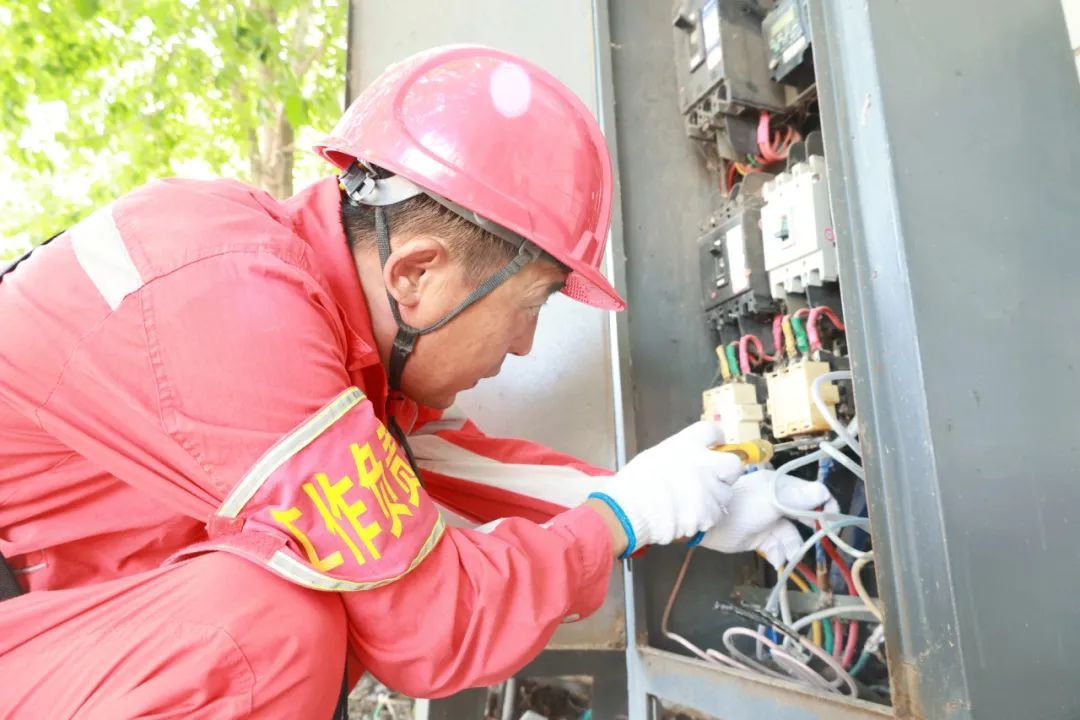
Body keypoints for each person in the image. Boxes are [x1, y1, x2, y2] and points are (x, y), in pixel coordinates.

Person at [0, 45, 832, 718]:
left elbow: (428, 468)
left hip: (56, 635)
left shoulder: (314, 316)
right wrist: (619, 521)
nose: (522, 345)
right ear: (416, 273)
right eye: (530, 306)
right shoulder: (234, 305)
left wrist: (671, 506)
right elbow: (431, 624)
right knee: (265, 634)